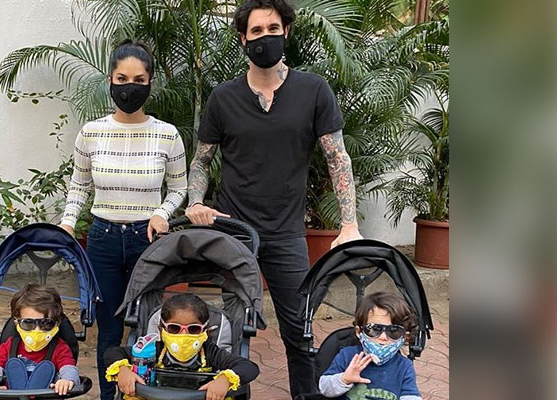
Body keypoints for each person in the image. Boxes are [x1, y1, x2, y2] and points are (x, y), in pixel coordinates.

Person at [185, 0, 362, 397]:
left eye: (272, 29)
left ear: (286, 32)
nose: (265, 37)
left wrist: (349, 224)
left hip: (287, 234)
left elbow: (337, 158)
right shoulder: (223, 97)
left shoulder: (313, 91)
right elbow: (202, 161)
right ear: (242, 39)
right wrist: (195, 201)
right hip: (234, 233)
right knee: (230, 333)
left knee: (300, 332)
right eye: (256, 31)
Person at [58, 39, 188, 400]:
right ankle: (108, 396)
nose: (130, 87)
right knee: (110, 330)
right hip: (102, 240)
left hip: (148, 240)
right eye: (122, 79)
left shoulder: (167, 135)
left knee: (147, 327)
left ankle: (144, 395)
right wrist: (67, 222)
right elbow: (79, 186)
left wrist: (161, 213)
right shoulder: (91, 132)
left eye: (139, 80)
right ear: (110, 81)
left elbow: (179, 188)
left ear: (150, 83)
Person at [103, 293, 259, 400]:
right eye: (174, 328)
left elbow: (248, 367)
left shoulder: (211, 353)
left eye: (193, 329)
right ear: (161, 330)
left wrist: (224, 380)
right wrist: (123, 370)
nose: (183, 335)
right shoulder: (153, 351)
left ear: (206, 331)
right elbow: (113, 353)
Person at [0, 284, 79, 396]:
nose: (37, 330)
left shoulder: (60, 348)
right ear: (16, 322)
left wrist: (67, 380)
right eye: (28, 323)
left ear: (57, 323)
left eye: (46, 323)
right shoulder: (10, 346)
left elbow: (68, 368)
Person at [319, 292, 421, 400]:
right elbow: (324, 388)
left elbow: (411, 396)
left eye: (394, 331)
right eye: (374, 329)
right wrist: (344, 379)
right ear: (359, 332)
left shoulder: (404, 366)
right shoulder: (347, 356)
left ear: (404, 337)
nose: (383, 337)